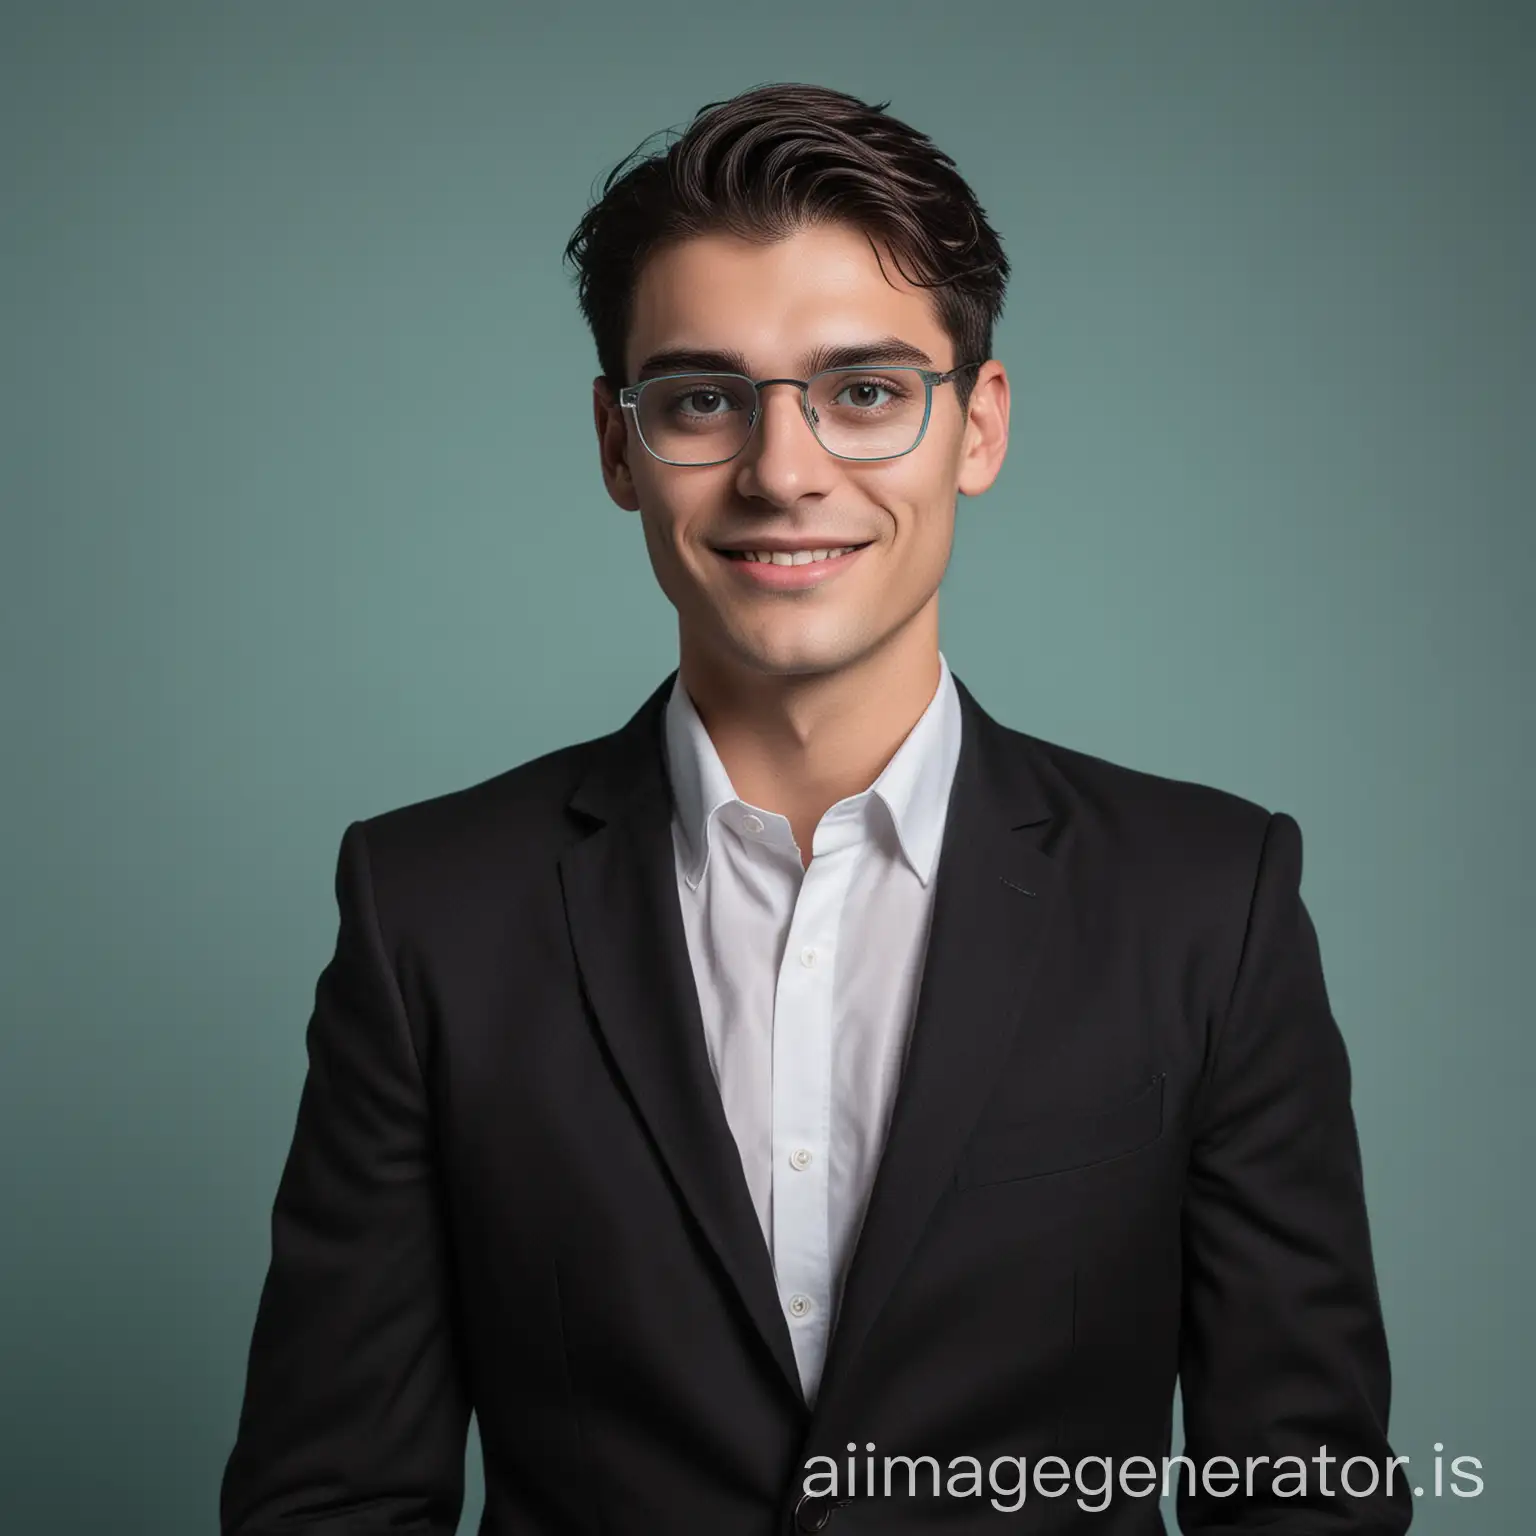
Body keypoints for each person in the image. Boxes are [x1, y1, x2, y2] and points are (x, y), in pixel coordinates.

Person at [220, 82, 1411, 1535]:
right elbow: (330, 1501)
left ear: (978, 426)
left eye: (865, 391)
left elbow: (1303, 1496)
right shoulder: (430, 914)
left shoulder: (1208, 903)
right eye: (704, 399)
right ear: (617, 447)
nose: (785, 474)